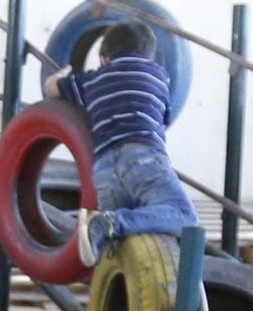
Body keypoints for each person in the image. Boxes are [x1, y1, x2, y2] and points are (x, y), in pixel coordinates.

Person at [44, 20, 198, 268]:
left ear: (104, 59)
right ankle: (112, 222)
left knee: (114, 254)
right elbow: (164, 118)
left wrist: (63, 75)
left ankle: (109, 224)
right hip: (143, 158)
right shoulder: (159, 76)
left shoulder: (92, 81)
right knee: (183, 215)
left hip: (103, 170)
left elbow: (50, 88)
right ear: (150, 56)